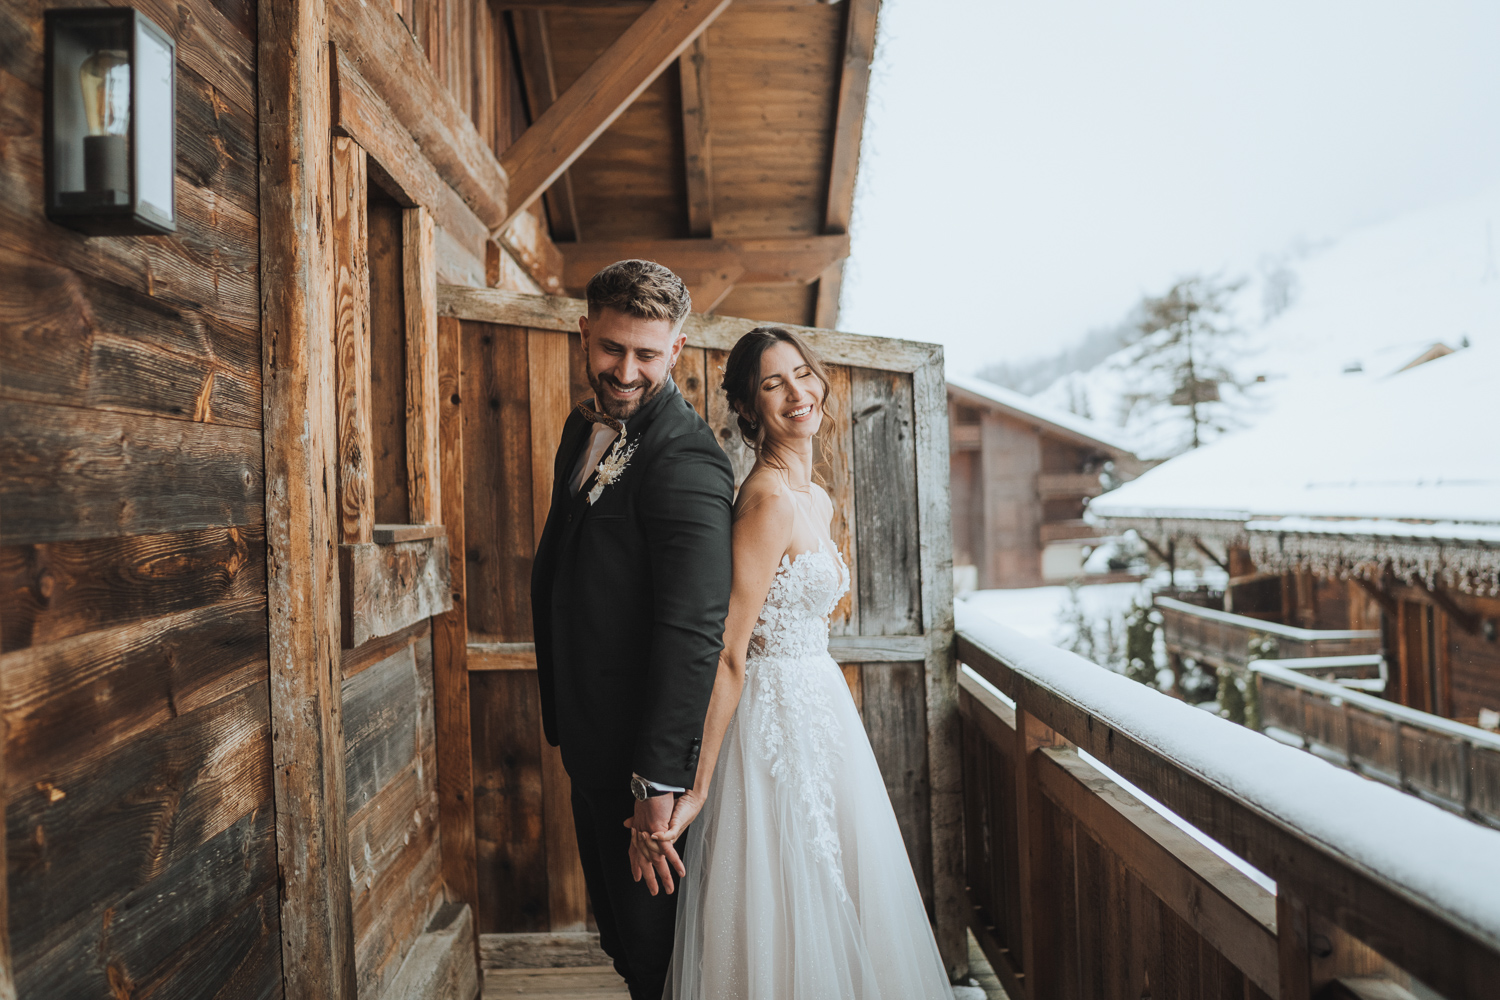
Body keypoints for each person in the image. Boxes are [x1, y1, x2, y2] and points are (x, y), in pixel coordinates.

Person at [631, 327, 954, 999]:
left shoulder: (816, 497)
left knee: (845, 888)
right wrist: (698, 784)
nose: (796, 393)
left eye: (802, 374)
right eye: (773, 385)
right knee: (783, 897)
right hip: (769, 723)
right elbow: (729, 649)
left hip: (822, 712)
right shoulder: (768, 502)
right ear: (749, 410)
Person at [530, 259, 733, 1000]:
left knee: (660, 958)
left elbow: (693, 632)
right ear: (585, 333)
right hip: (593, 741)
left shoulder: (687, 461)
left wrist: (658, 785)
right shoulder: (584, 430)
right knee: (624, 944)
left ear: (677, 351)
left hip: (646, 769)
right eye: (613, 348)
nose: (626, 370)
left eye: (648, 354)